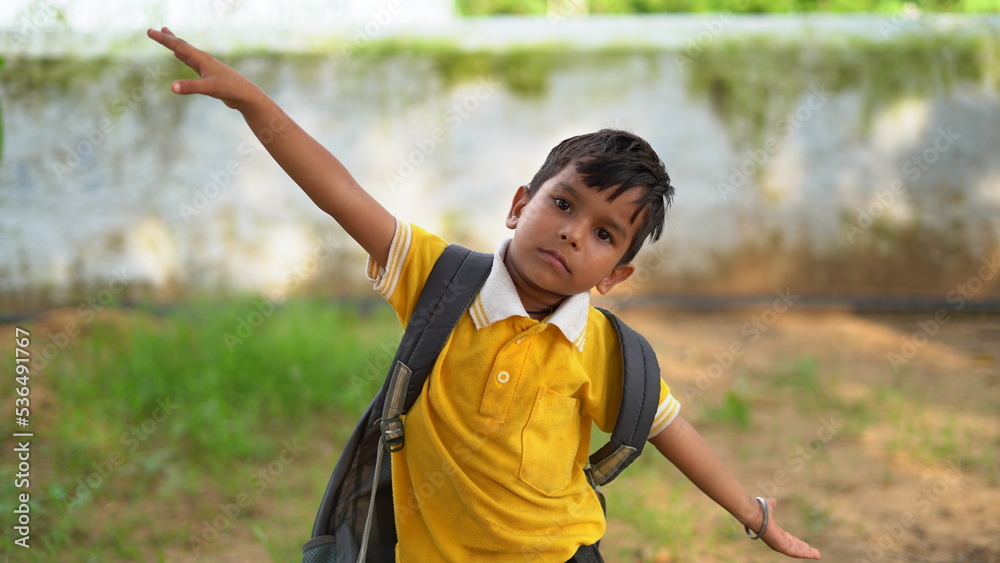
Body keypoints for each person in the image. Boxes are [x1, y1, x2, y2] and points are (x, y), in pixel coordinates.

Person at [147, 27, 822, 562]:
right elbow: (340, 193)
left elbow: (667, 425)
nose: (570, 232)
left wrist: (751, 512)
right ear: (519, 203)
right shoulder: (438, 278)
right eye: (562, 202)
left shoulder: (599, 347)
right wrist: (254, 103)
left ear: (615, 276)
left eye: (605, 233)